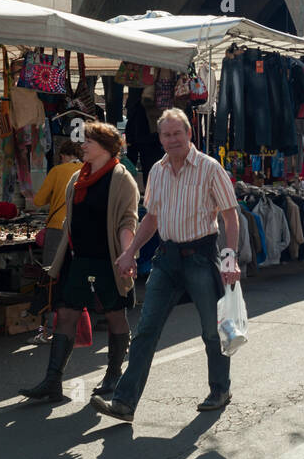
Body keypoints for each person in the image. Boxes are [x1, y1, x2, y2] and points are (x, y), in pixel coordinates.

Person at [93, 109, 241, 420]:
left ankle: (220, 388)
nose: (172, 139)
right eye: (166, 134)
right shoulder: (158, 171)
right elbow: (152, 218)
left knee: (212, 331)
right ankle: (124, 403)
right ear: (159, 138)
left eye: (177, 133)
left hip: (201, 256)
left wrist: (230, 257)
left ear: (189, 134)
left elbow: (230, 214)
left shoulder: (209, 168)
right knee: (146, 330)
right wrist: (131, 251)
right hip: (167, 258)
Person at [21, 123, 139, 404]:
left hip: (107, 261)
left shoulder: (122, 179)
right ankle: (52, 382)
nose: (83, 146)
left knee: (114, 315)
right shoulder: (77, 178)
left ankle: (113, 375)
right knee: (67, 313)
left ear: (106, 147)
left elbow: (127, 221)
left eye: (89, 142)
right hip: (78, 259)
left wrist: (126, 254)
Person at [34, 139, 83, 267]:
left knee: (51, 267)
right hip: (79, 225)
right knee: (75, 266)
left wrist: (54, 196)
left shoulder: (57, 170)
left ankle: (51, 287)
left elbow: (38, 201)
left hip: (57, 226)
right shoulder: (88, 170)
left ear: (62, 155)